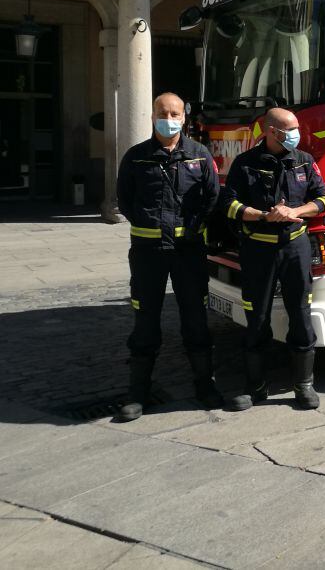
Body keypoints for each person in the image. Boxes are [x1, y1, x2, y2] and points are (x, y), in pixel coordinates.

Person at [115, 92, 222, 422]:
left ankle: (205, 385)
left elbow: (211, 199)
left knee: (195, 318)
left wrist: (191, 229)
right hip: (148, 253)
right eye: (164, 112)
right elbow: (126, 201)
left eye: (176, 113)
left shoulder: (199, 155)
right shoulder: (135, 157)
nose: (170, 117)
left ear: (184, 118)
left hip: (189, 253)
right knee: (145, 319)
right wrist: (151, 225)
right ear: (152, 116)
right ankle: (139, 392)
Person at [221, 107, 325, 411]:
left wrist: (294, 212)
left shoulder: (304, 161)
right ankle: (255, 388)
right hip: (258, 249)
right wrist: (262, 215)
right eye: (289, 129)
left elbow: (323, 199)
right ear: (271, 132)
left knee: (301, 315)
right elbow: (228, 204)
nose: (296, 134)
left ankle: (303, 386)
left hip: (295, 249)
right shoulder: (245, 164)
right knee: (256, 319)